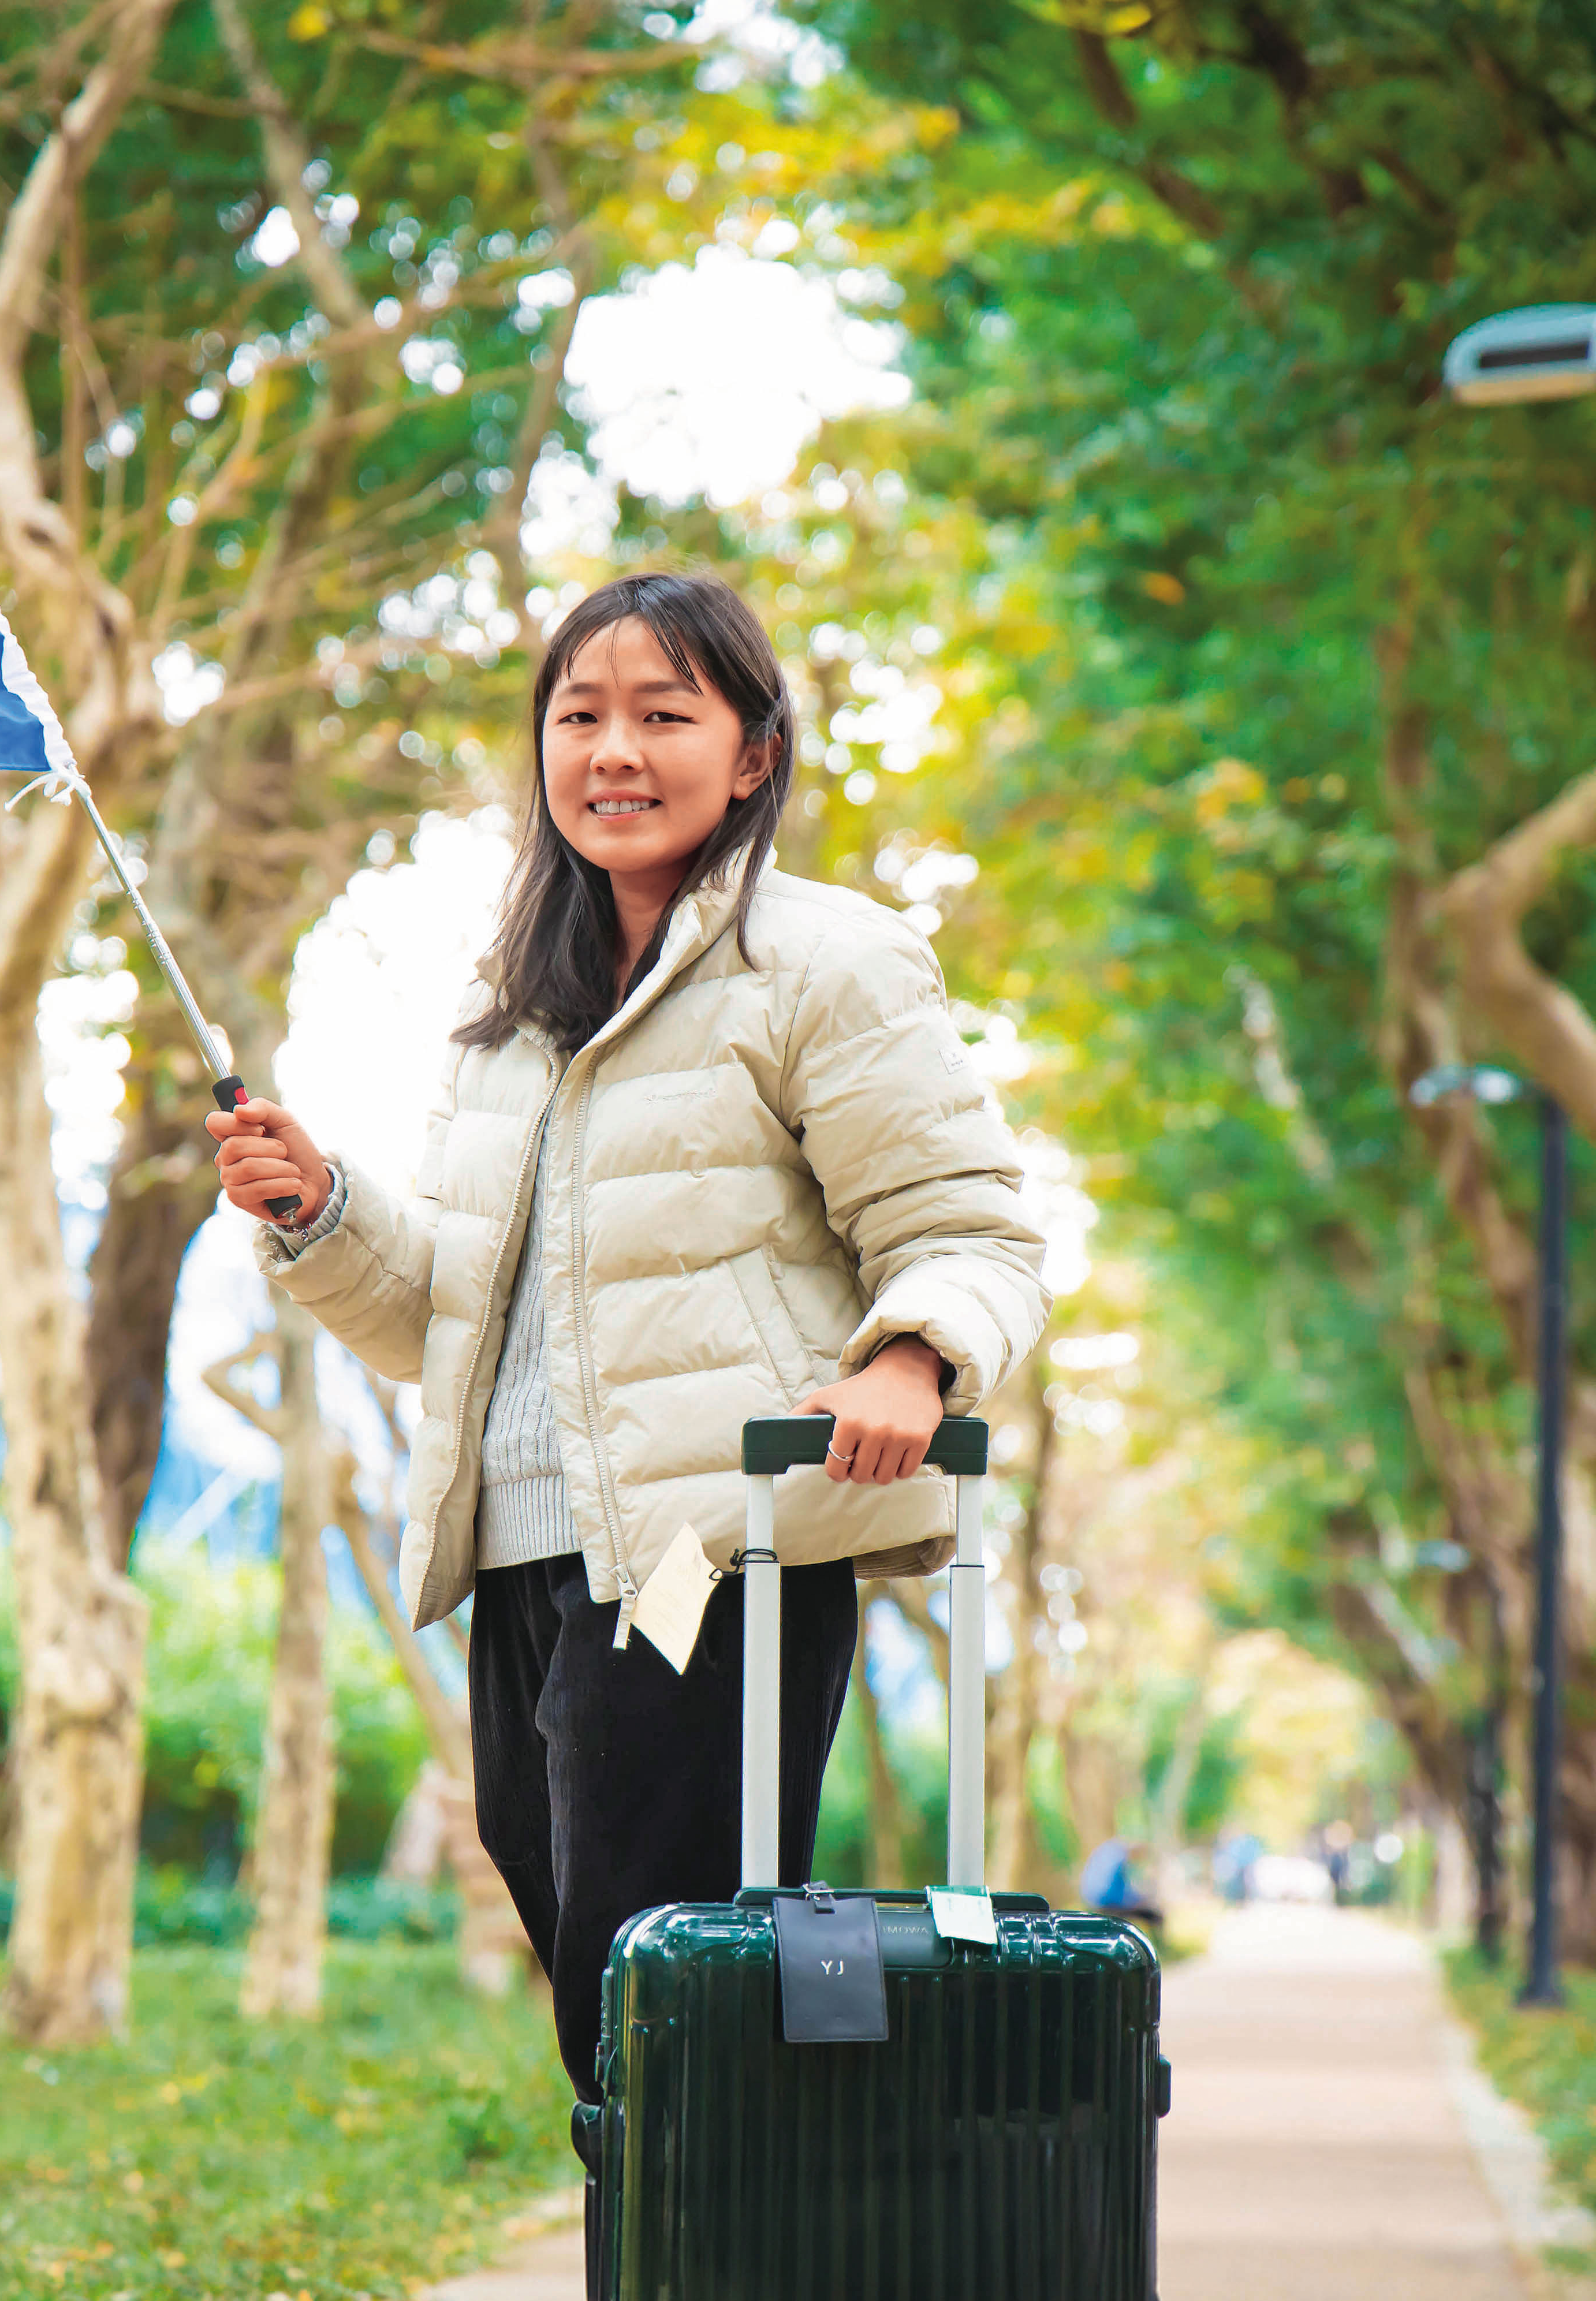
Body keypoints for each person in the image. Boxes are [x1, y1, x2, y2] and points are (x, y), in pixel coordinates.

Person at [207, 569, 1050, 2122]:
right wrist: (322, 1211)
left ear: (752, 754)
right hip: (523, 1562)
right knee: (614, 2026)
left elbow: (975, 1233)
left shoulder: (828, 963)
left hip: (706, 1557)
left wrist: (908, 1358)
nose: (613, 748)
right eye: (579, 713)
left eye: (665, 713)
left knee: (661, 2007)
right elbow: (448, 1322)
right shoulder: (510, 1017)